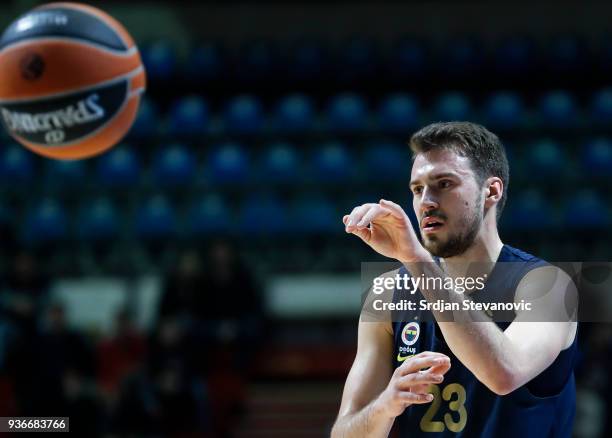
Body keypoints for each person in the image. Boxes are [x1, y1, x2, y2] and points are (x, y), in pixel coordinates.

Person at [331, 122, 577, 437]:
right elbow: (343, 433)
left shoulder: (549, 285)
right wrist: (386, 404)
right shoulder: (388, 293)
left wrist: (415, 258)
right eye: (417, 189)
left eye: (444, 184)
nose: (426, 202)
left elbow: (504, 372)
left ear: (492, 190)